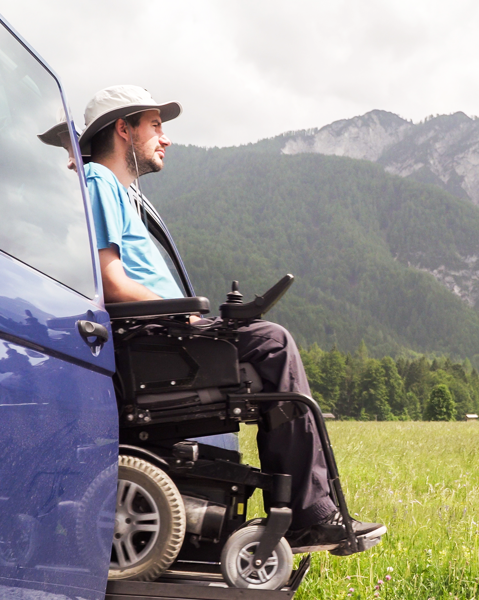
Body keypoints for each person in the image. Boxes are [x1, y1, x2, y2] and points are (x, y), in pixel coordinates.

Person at [78, 85, 385, 553]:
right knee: (274, 345)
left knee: (268, 348)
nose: (167, 138)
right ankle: (310, 514)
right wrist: (190, 316)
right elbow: (112, 281)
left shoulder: (119, 191)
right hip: (152, 343)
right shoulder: (100, 180)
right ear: (124, 128)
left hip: (162, 336)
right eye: (156, 125)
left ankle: (308, 511)